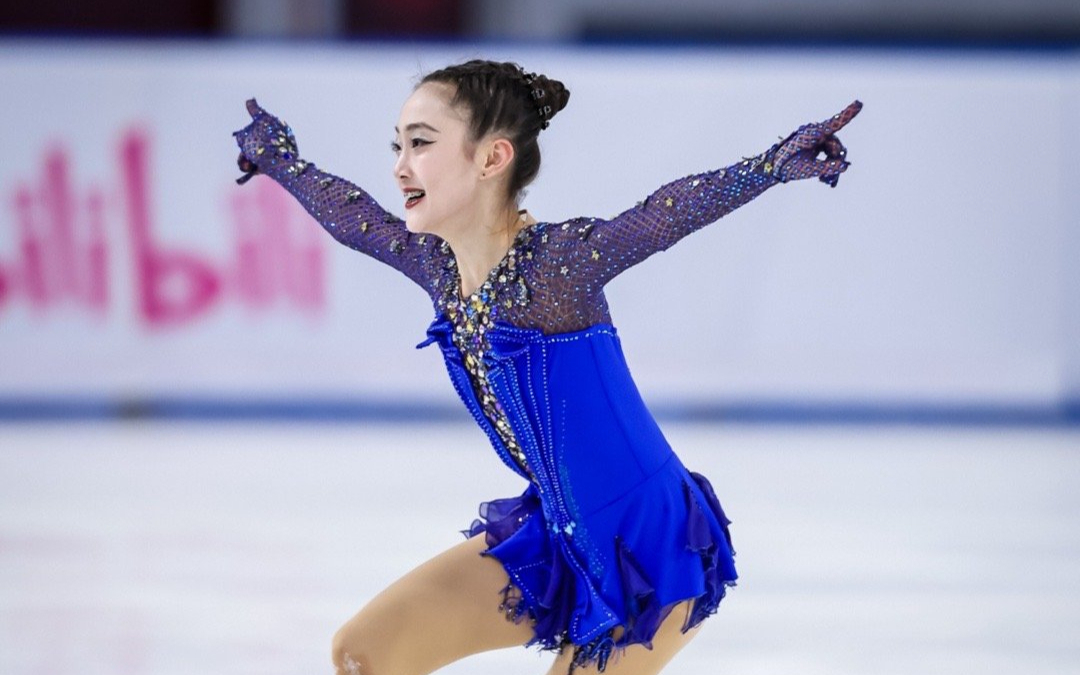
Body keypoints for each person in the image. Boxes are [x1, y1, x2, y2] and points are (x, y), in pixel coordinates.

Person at [232, 59, 860, 675]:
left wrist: (771, 167)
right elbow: (355, 221)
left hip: (651, 549)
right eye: (397, 145)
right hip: (557, 537)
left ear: (492, 158)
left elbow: (664, 214)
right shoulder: (439, 269)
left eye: (420, 143)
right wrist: (280, 159)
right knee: (364, 654)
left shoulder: (558, 266)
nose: (400, 166)